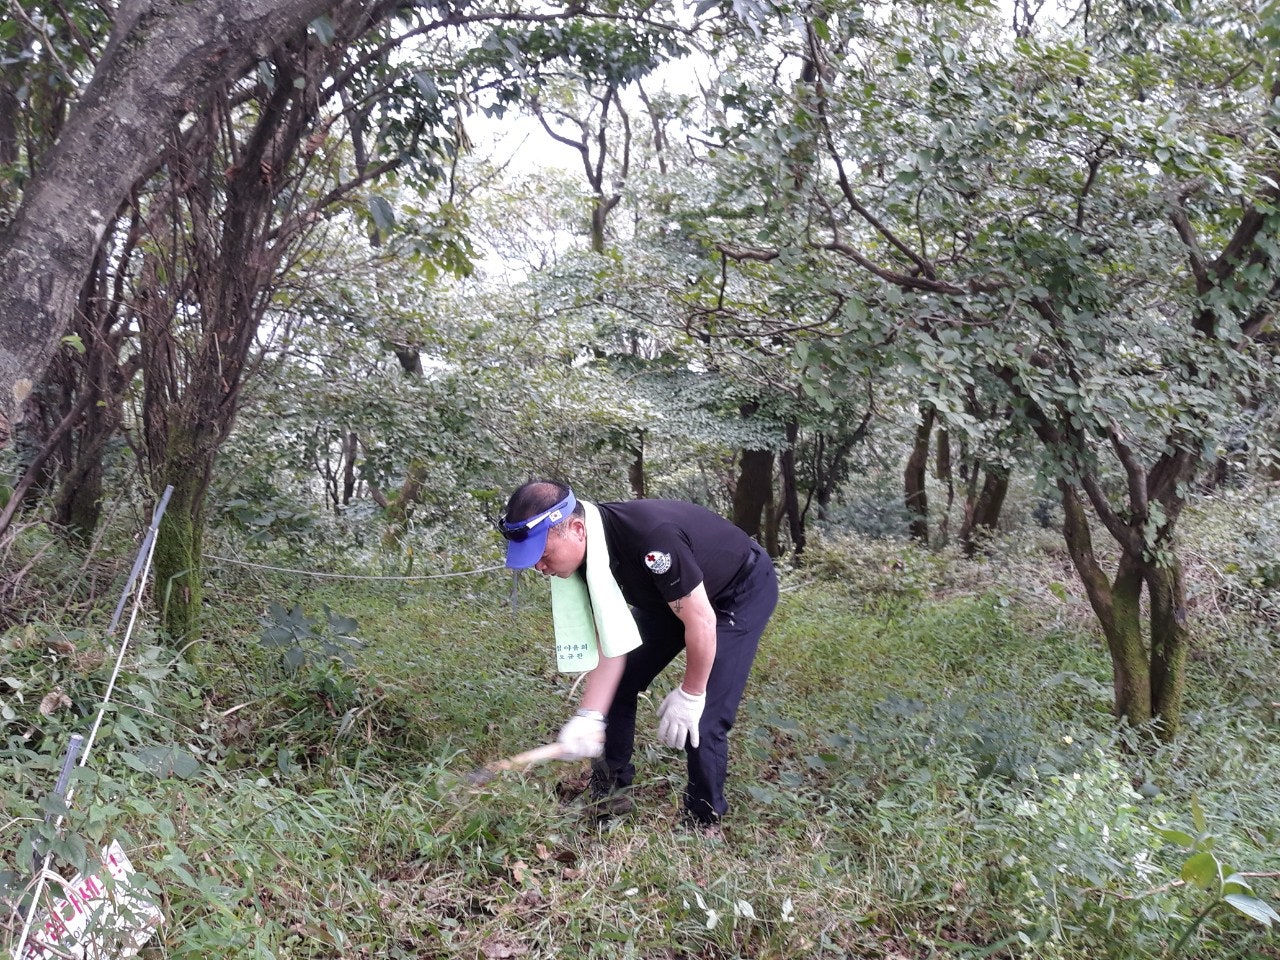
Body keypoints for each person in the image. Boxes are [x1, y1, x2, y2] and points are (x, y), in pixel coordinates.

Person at [497, 479, 778, 830]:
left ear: (577, 530)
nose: (540, 567)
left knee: (705, 715)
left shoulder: (651, 540)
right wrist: (590, 715)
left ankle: (702, 821)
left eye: (543, 554)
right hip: (667, 599)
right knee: (617, 688)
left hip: (736, 591)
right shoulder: (583, 557)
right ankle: (609, 795)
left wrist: (691, 693)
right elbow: (610, 640)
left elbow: (702, 620)